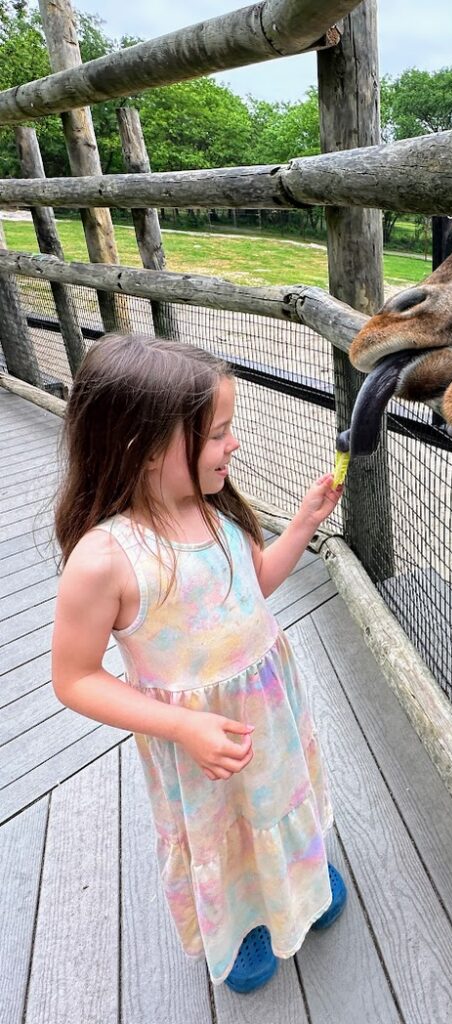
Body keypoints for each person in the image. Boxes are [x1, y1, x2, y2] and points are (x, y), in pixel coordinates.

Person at [50, 333, 346, 993]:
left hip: (267, 716)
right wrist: (183, 728)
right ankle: (241, 925)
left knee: (283, 796)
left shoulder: (216, 515)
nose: (232, 446)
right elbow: (74, 677)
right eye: (217, 435)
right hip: (199, 746)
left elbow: (253, 585)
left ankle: (301, 876)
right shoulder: (107, 559)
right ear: (144, 447)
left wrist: (301, 524)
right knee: (226, 832)